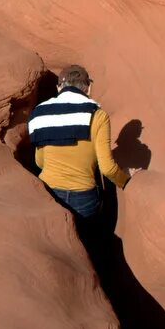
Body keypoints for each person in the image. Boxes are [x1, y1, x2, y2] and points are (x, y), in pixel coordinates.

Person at [28, 64, 137, 220]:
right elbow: (107, 169)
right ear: (89, 88)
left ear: (59, 87)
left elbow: (39, 162)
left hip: (48, 192)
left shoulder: (39, 113)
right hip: (83, 198)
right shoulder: (98, 115)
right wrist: (126, 179)